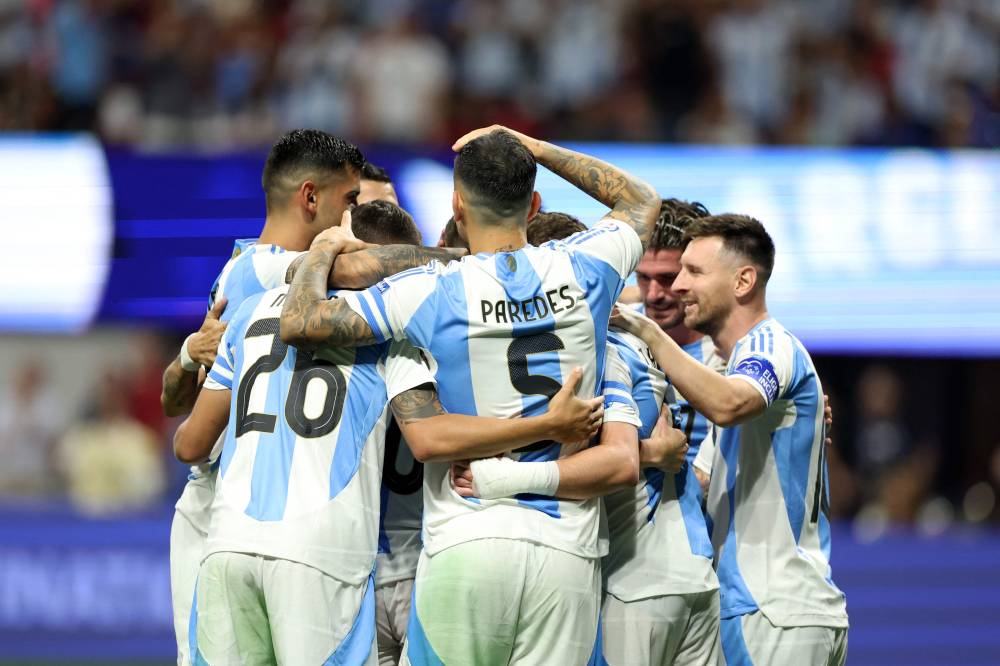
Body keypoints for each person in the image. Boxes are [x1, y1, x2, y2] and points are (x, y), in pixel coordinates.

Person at [279, 125, 659, 665]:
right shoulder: (587, 267)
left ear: (456, 205)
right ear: (533, 204)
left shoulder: (430, 289)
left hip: (468, 538)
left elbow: (301, 322)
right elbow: (641, 200)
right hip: (567, 554)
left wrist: (322, 249)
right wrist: (532, 146)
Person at [174, 207, 603, 664]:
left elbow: (189, 445)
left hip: (228, 542)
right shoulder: (392, 325)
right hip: (328, 553)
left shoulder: (246, 310)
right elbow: (428, 435)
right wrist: (544, 425)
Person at [160, 129, 462, 666]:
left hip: (234, 527)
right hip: (259, 514)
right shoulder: (267, 268)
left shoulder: (258, 296)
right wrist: (480, 261)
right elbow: (357, 266)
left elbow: (183, 424)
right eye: (352, 204)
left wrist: (185, 356)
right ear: (310, 197)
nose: (353, 221)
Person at [460, 205, 720, 665]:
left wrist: (500, 477)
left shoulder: (610, 347)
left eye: (672, 277)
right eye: (644, 277)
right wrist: (649, 450)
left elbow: (615, 459)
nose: (659, 292)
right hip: (685, 571)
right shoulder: (632, 334)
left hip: (630, 577)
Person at [611, 213, 849, 666]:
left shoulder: (769, 346)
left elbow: (729, 402)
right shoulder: (741, 359)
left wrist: (651, 334)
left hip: (772, 608)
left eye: (694, 272)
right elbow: (703, 480)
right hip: (780, 609)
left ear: (743, 281)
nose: (678, 286)